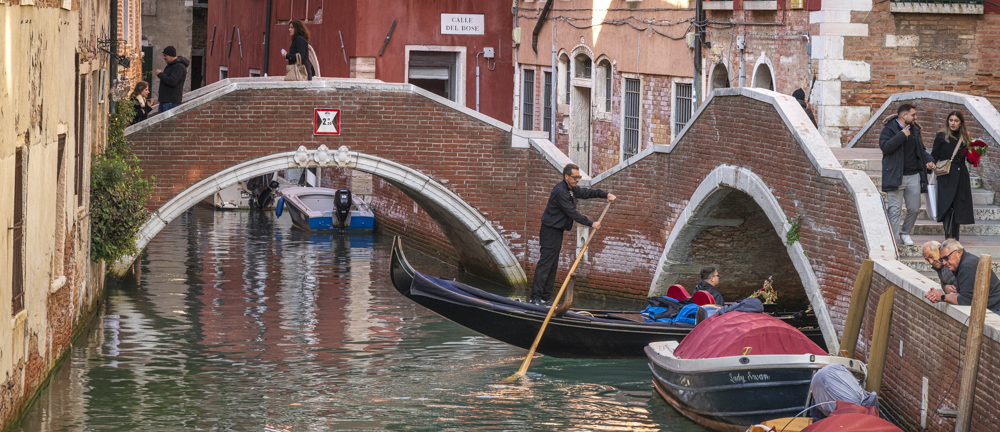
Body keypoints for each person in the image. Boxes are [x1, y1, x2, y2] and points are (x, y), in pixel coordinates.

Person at [530, 163, 616, 306]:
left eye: (579, 177)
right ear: (566, 177)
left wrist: (605, 194)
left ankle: (545, 298)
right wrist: (591, 223)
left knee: (553, 265)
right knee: (545, 264)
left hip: (557, 231)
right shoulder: (560, 192)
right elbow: (572, 212)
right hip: (549, 231)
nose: (577, 180)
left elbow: (586, 193)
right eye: (575, 177)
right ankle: (535, 298)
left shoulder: (571, 189)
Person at [879, 104, 935, 246]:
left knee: (915, 208)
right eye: (913, 115)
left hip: (914, 175)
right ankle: (894, 241)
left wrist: (929, 160)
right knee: (895, 211)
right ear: (904, 116)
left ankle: (905, 233)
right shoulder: (889, 129)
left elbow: (921, 150)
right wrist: (901, 136)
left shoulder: (915, 130)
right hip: (895, 176)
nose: (915, 117)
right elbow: (885, 147)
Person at [931, 111, 975, 240]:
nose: (953, 123)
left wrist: (976, 154)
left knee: (958, 207)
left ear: (961, 123)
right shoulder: (941, 136)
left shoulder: (965, 138)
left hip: (961, 177)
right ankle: (948, 239)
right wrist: (930, 164)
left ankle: (955, 239)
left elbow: (970, 160)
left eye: (956, 121)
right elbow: (934, 155)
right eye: (951, 120)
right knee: (946, 206)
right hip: (946, 175)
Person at [925, 239, 1000, 313]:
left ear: (958, 253)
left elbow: (965, 300)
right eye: (942, 260)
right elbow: (962, 294)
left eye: (946, 258)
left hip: (995, 309)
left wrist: (942, 297)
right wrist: (940, 293)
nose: (944, 263)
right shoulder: (961, 263)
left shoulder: (967, 265)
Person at [155, 46, 189, 113]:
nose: (163, 57)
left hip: (171, 102)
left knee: (167, 120)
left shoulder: (179, 66)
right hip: (166, 101)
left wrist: (160, 74)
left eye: (165, 56)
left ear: (171, 55)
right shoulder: (172, 65)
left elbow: (172, 81)